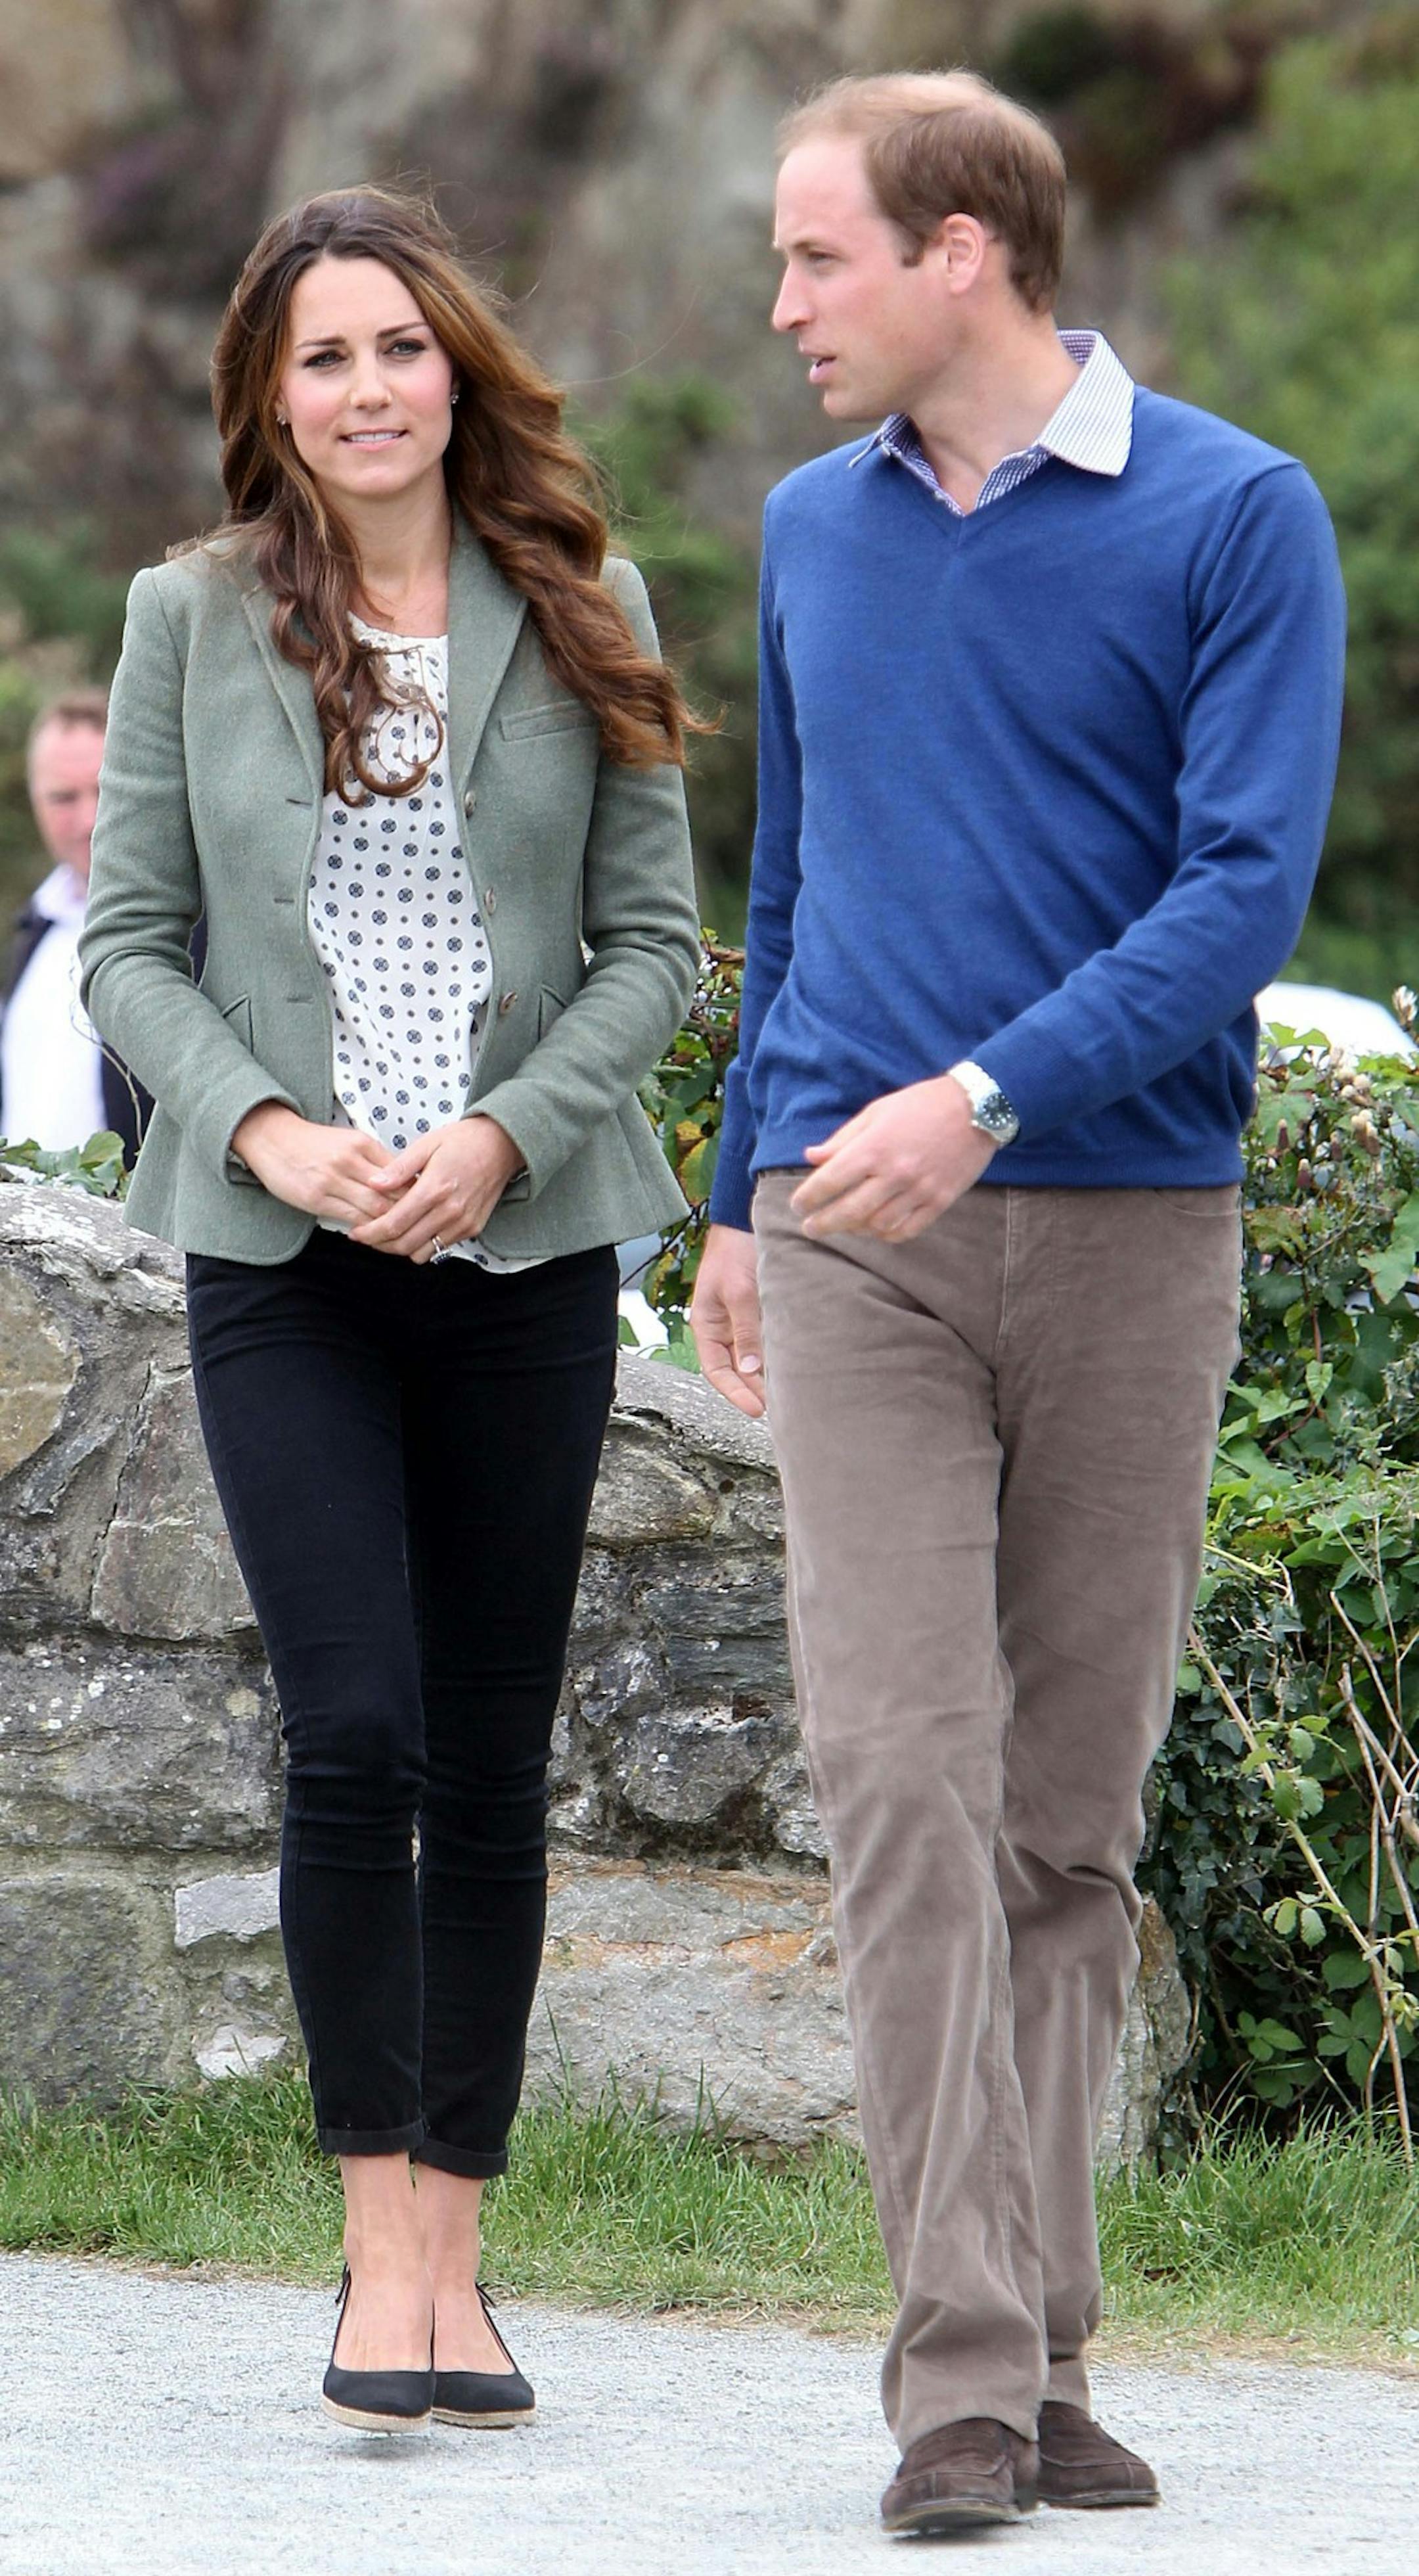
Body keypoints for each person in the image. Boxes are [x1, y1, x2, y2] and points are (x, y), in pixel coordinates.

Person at [691, 70, 1345, 2539]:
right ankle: (957, 2378)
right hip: (852, 1231)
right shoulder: (804, 530)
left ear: (965, 253)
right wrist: (749, 1181)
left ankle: (1049, 2348)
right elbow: (791, 874)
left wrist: (986, 1087)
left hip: (1130, 1230)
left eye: (815, 261)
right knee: (893, 1776)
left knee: (1064, 1818)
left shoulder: (1231, 516)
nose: (780, 310)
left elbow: (1239, 894)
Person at [81, 186, 700, 2434]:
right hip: (287, 1272)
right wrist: (266, 1130)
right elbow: (126, 938)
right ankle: (372, 2258)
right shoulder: (184, 616)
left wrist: (511, 1134)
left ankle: (464, 2254)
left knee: (491, 1756)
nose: (365, 391)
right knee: (352, 1735)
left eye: (398, 349)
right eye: (320, 358)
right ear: (270, 396)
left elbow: (656, 947)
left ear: (460, 369)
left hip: (524, 1260)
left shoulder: (584, 604)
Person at [0, 688, 150, 1160]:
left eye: (105, 790)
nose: (88, 820)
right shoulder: (33, 930)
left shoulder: (199, 933)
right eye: (64, 798)